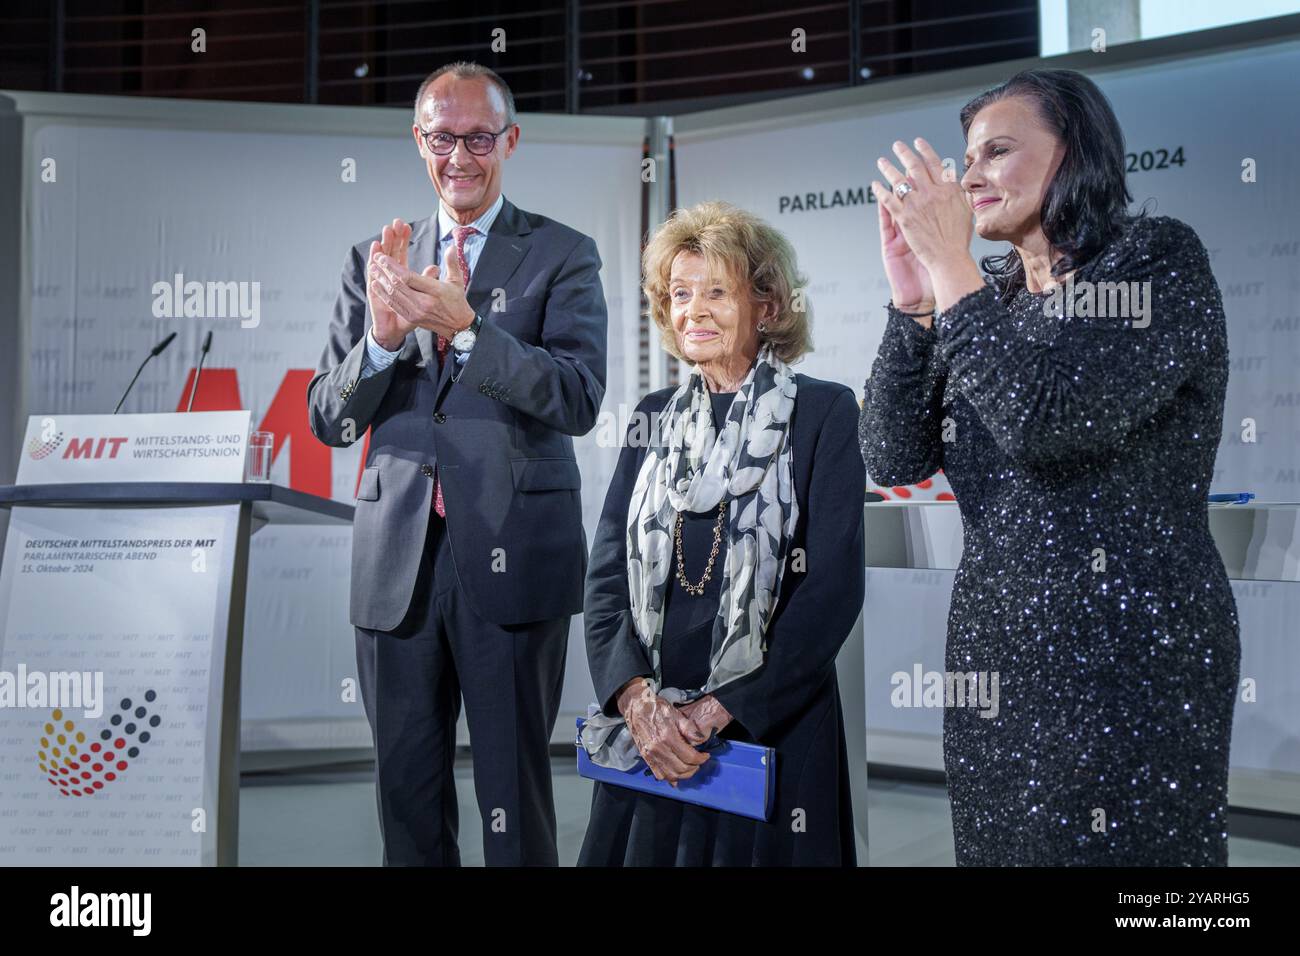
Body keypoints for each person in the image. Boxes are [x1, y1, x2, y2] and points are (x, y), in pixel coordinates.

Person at [859, 68, 1240, 865]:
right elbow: (893, 455)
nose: (970, 177)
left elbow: (1049, 420)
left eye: (998, 151)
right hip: (997, 662)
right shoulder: (987, 302)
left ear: (1076, 152)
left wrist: (951, 270)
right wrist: (914, 304)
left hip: (1128, 655)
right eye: (967, 159)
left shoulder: (1155, 261)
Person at [307, 61, 608, 866]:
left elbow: (578, 399)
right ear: (419, 141)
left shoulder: (562, 254)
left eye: (480, 137)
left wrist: (471, 329)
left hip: (513, 561)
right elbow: (328, 419)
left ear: (510, 139)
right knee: (405, 799)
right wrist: (379, 339)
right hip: (395, 567)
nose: (462, 157)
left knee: (513, 798)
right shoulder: (373, 262)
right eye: (444, 137)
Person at [578, 201, 863, 866]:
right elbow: (604, 580)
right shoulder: (650, 416)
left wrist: (713, 712)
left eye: (716, 291)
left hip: (769, 725)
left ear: (767, 306)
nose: (694, 311)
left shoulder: (824, 412)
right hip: (651, 739)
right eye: (680, 294)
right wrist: (637, 701)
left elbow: (829, 592)